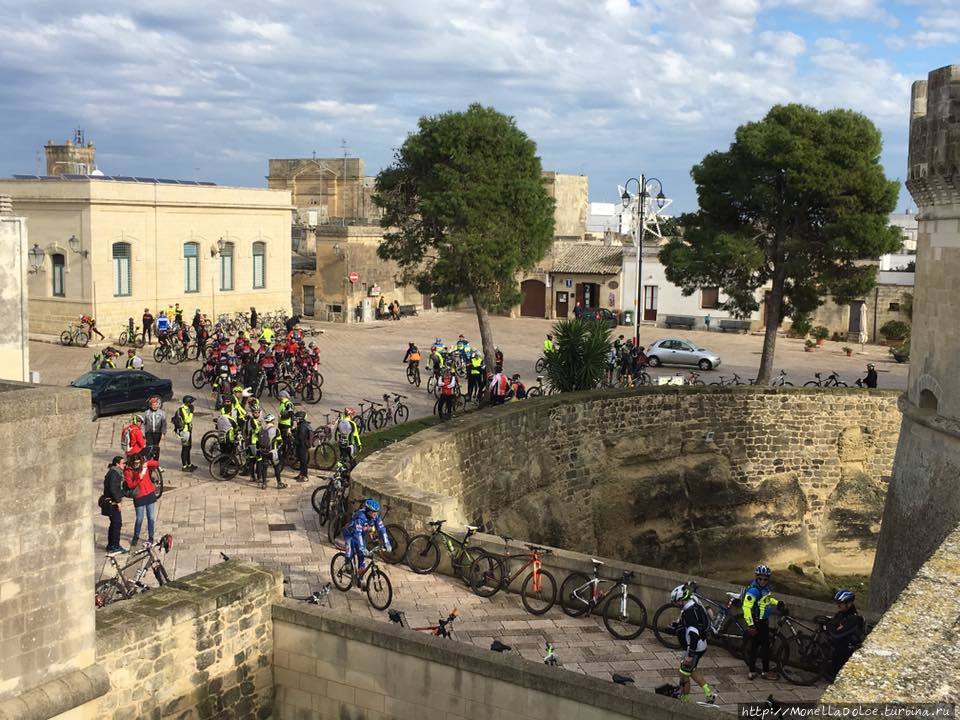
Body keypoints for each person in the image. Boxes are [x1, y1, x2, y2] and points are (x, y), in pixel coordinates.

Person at [670, 584, 716, 704]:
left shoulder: (690, 614)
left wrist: (690, 655)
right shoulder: (694, 601)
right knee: (691, 670)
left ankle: (684, 699)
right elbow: (708, 611)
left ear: (681, 600)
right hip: (701, 644)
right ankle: (708, 693)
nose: (674, 604)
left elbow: (693, 636)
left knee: (684, 674)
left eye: (675, 601)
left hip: (695, 647)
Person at [742, 564, 784, 681]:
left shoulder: (765, 589)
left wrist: (777, 603)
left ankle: (752, 672)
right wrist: (751, 625)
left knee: (755, 647)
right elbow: (746, 608)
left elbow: (767, 599)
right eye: (760, 578)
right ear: (756, 577)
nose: (762, 581)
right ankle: (765, 672)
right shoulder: (754, 590)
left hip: (762, 622)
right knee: (765, 647)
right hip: (758, 623)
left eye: (765, 579)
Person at [343, 498, 392, 576]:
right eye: (374, 512)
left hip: (360, 535)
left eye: (377, 512)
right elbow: (357, 533)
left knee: (361, 556)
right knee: (350, 553)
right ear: (369, 511)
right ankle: (347, 563)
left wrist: (387, 543)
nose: (375, 514)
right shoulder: (360, 517)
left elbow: (382, 529)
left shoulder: (376, 516)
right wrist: (362, 547)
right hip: (350, 534)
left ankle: (360, 577)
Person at [825, 590, 865, 681]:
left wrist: (832, 627)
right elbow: (834, 623)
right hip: (840, 642)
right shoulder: (841, 614)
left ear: (849, 604)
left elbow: (838, 633)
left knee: (840, 652)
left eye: (841, 604)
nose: (838, 606)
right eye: (838, 604)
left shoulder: (853, 618)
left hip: (847, 646)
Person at [124, 454, 159, 546]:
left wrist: (146, 463)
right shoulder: (128, 471)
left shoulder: (144, 466)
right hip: (139, 496)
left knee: (151, 517)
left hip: (149, 493)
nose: (137, 465)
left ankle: (151, 536)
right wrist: (139, 477)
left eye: (139, 463)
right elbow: (130, 485)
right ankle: (136, 536)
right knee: (139, 518)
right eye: (135, 463)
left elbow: (156, 464)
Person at [100, 456, 127, 553]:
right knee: (117, 524)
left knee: (114, 524)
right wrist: (118, 502)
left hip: (113, 501)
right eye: (123, 463)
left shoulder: (114, 472)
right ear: (117, 464)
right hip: (113, 503)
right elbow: (113, 489)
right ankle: (115, 545)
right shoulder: (114, 473)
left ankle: (111, 545)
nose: (124, 465)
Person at [172, 395, 197, 472]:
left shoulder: (186, 408)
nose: (192, 404)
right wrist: (192, 412)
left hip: (188, 431)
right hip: (185, 432)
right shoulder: (183, 410)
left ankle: (189, 464)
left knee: (188, 448)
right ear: (188, 403)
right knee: (185, 449)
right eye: (191, 402)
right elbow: (187, 420)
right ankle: (184, 466)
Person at [142, 395, 166, 464]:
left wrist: (163, 434)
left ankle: (155, 462)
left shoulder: (162, 413)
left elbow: (164, 424)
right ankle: (148, 461)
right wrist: (143, 433)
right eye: (153, 405)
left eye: (156, 405)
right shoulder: (147, 413)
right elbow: (144, 423)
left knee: (156, 447)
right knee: (149, 447)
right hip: (149, 433)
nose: (155, 406)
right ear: (150, 405)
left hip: (157, 433)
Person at [294, 411, 312, 482]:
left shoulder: (302, 427)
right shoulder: (302, 424)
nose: (296, 420)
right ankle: (301, 474)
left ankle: (305, 476)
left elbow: (301, 438)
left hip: (302, 446)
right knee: (301, 461)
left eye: (297, 419)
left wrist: (295, 439)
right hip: (301, 445)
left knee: (303, 461)